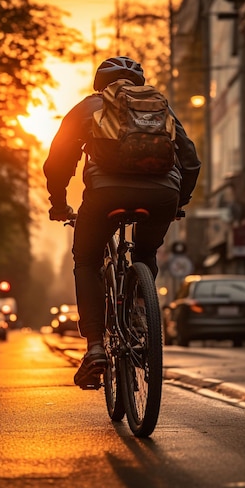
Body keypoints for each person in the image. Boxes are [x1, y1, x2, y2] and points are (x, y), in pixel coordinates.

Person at [43, 56, 201, 388]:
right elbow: (190, 158)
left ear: (100, 84)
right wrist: (177, 202)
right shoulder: (160, 108)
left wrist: (59, 203)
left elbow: (59, 158)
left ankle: (96, 347)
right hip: (162, 194)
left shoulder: (89, 106)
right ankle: (141, 317)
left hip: (105, 194)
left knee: (86, 260)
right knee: (144, 254)